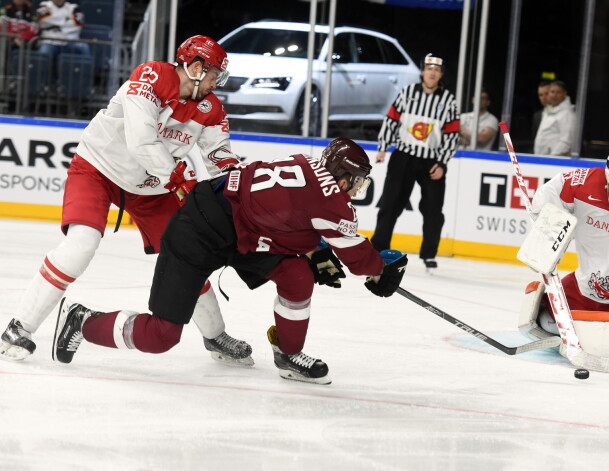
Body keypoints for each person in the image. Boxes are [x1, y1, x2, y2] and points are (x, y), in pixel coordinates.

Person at [51, 138, 409, 385]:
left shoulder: (306, 164)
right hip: (199, 231)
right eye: (357, 181)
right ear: (343, 175)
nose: (357, 188)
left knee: (298, 275)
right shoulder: (333, 200)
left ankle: (288, 355)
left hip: (239, 231)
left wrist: (316, 251)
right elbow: (360, 259)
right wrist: (381, 271)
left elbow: (287, 213)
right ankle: (82, 321)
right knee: (161, 336)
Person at [0, 35, 254, 366]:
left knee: (189, 257)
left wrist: (239, 185)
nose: (215, 81)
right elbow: (141, 139)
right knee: (81, 245)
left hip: (151, 188)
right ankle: (19, 327)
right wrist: (177, 177)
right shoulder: (151, 76)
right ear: (194, 67)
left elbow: (219, 156)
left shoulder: (211, 109)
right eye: (212, 74)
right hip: (98, 169)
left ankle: (215, 335)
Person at [522, 146, 609, 341]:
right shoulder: (586, 182)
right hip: (586, 287)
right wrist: (547, 238)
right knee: (546, 321)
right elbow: (549, 194)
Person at [371, 53, 459, 270]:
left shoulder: (448, 100)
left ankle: (429, 254)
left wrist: (443, 163)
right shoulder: (407, 93)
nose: (432, 73)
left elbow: (452, 134)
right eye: (429, 68)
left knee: (433, 209)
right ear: (422, 72)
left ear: (441, 75)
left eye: (437, 70)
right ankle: (378, 249)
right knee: (390, 204)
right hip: (403, 157)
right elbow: (392, 120)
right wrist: (383, 147)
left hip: (431, 161)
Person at [533, 80, 576, 156]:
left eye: (558, 92)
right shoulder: (548, 112)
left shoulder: (567, 114)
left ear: (564, 94)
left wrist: (552, 157)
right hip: (542, 159)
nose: (554, 95)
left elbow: (566, 141)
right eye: (552, 92)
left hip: (555, 161)